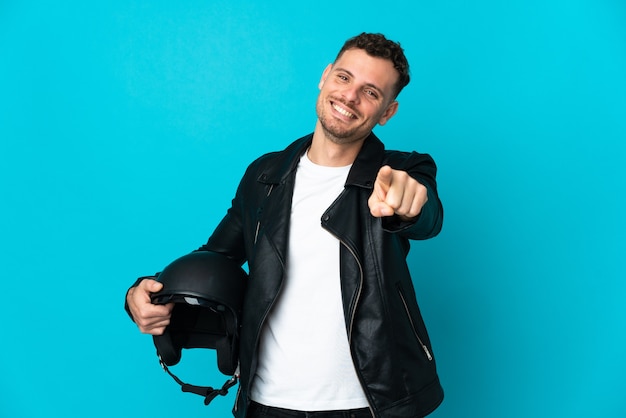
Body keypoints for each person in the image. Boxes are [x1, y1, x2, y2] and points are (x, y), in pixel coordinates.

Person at [126, 32, 444, 418]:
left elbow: (425, 216)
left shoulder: (401, 171)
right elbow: (217, 257)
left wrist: (407, 203)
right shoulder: (264, 174)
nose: (350, 97)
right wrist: (145, 292)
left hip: (367, 405)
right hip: (266, 401)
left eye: (371, 92)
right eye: (344, 78)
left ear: (387, 112)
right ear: (325, 77)